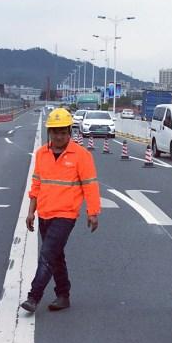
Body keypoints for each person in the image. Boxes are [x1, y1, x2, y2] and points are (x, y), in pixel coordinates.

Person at [21, 107, 101, 313]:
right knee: (56, 256)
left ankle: (33, 297)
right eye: (55, 132)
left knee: (47, 254)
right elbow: (36, 185)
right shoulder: (42, 154)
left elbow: (90, 185)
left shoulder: (81, 155)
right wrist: (31, 212)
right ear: (49, 132)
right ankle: (63, 295)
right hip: (45, 213)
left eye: (63, 132)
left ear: (70, 132)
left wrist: (92, 212)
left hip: (66, 215)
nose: (59, 136)